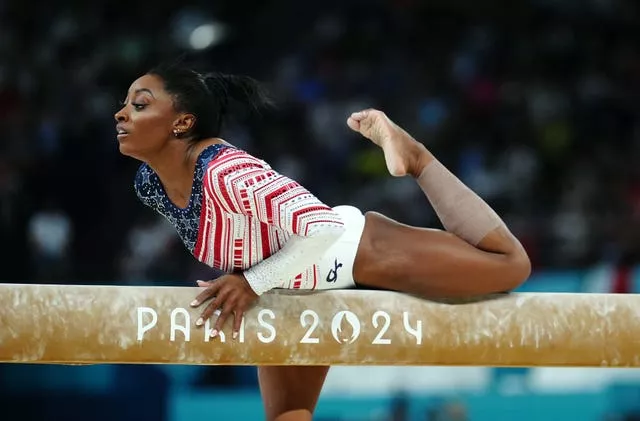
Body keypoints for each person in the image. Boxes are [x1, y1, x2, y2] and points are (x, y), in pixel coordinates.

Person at [115, 61, 531, 421]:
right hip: (290, 294)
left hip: (353, 255)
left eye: (139, 104)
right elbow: (241, 235)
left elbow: (321, 226)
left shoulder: (226, 173)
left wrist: (249, 283)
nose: (120, 114)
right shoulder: (150, 184)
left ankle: (416, 156)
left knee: (509, 265)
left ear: (182, 122)